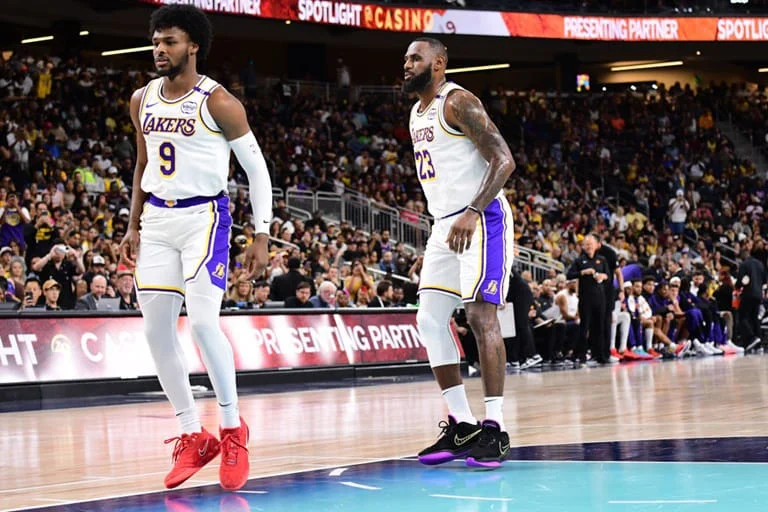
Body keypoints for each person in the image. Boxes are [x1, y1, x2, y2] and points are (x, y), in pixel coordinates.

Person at [118, 5, 271, 492]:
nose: (160, 50)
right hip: (158, 220)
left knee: (204, 323)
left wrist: (262, 233)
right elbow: (142, 163)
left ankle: (231, 428)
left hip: (205, 217)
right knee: (156, 332)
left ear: (193, 46)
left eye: (170, 42)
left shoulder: (219, 101)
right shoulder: (141, 99)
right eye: (156, 42)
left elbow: (258, 170)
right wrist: (132, 223)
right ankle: (192, 433)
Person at [404, 38, 515, 469]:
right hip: (444, 226)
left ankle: (495, 428)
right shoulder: (416, 112)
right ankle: (462, 422)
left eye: (415, 58)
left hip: (481, 219)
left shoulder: (458, 101)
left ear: (439, 64)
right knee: (429, 318)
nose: (407, 65)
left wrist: (472, 210)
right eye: (405, 59)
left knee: (480, 315)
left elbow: (503, 160)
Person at [566, 234, 610, 365]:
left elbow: (608, 275)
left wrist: (603, 276)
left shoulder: (602, 260)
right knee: (584, 327)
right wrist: (582, 273)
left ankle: (600, 355)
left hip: (600, 298)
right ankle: (581, 355)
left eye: (591, 244)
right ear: (583, 246)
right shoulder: (580, 261)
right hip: (586, 299)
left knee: (600, 327)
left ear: (597, 245)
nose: (589, 246)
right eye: (587, 244)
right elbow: (569, 275)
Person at [737, 244, 767, 351]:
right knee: (755, 318)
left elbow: (741, 281)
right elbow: (764, 280)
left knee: (742, 317)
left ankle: (751, 337)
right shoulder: (760, 264)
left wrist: (737, 287)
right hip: (759, 295)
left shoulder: (744, 265)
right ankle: (759, 343)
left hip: (748, 294)